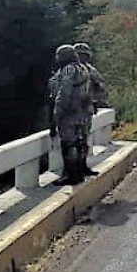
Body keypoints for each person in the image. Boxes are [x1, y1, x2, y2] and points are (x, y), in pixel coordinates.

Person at [51, 44, 91, 185]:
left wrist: (56, 114)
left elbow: (64, 94)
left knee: (68, 144)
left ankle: (71, 175)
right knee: (79, 142)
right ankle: (78, 172)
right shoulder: (83, 68)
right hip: (81, 112)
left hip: (68, 114)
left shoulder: (68, 70)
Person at [74, 42, 106, 176]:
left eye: (84, 55)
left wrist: (94, 100)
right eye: (80, 55)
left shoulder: (91, 70)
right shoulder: (70, 70)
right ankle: (73, 169)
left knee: (83, 140)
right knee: (73, 141)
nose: (82, 58)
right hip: (73, 112)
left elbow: (100, 86)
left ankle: (82, 166)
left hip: (85, 110)